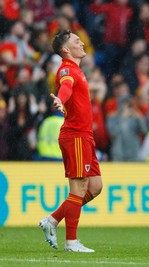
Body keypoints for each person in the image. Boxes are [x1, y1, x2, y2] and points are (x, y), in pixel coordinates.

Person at [39, 30, 103, 253]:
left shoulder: (77, 70)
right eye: (76, 41)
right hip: (75, 135)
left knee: (95, 187)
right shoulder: (67, 69)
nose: (81, 42)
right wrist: (60, 99)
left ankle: (53, 220)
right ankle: (71, 242)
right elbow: (65, 87)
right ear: (66, 49)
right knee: (78, 189)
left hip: (85, 136)